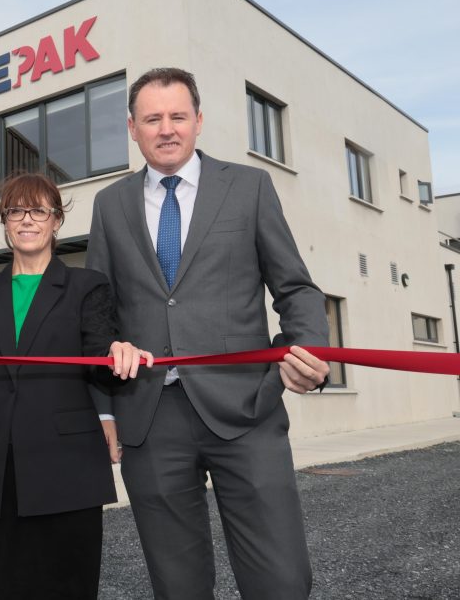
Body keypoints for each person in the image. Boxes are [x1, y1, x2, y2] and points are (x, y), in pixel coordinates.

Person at [86, 67, 330, 600]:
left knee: (282, 580)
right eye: (152, 118)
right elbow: (97, 315)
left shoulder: (249, 187)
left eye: (177, 116)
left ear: (199, 121)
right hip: (149, 419)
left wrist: (308, 352)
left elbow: (295, 288)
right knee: (179, 586)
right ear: (133, 128)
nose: (166, 128)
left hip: (246, 409)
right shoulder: (110, 205)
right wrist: (104, 407)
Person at [0, 173, 153, 599]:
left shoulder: (86, 286)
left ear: (57, 220)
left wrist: (119, 353)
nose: (27, 220)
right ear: (5, 221)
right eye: (15, 211)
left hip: (64, 476)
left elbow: (100, 356)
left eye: (39, 210)